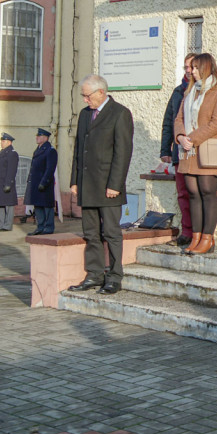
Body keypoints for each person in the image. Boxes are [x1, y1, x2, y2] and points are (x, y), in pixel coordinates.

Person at [67, 76, 134, 295]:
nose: (85, 100)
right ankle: (94, 274)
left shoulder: (120, 113)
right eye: (83, 96)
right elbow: (80, 149)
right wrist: (75, 181)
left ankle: (114, 276)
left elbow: (122, 153)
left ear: (101, 92)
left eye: (88, 95)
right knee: (91, 233)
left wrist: (115, 184)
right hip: (87, 185)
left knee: (112, 233)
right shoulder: (86, 115)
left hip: (109, 187)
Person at [174, 54, 217, 257]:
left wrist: (191, 138)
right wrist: (181, 136)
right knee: (193, 193)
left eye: (196, 68)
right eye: (191, 68)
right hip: (189, 151)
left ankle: (208, 238)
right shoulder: (190, 91)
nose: (192, 71)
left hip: (208, 150)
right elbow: (179, 118)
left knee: (207, 192)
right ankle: (196, 237)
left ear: (206, 68)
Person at [160, 52, 196, 246]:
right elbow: (169, 121)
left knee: (197, 194)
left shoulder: (203, 90)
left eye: (192, 67)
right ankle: (186, 232)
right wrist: (165, 149)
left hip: (197, 152)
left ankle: (200, 233)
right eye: (186, 67)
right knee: (182, 194)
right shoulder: (177, 91)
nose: (188, 71)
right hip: (179, 153)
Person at [25, 127, 58, 236]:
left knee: (47, 206)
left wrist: (44, 182)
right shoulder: (38, 150)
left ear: (45, 138)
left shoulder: (50, 150)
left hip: (45, 184)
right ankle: (40, 227)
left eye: (39, 136)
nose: (37, 137)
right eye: (37, 136)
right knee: (38, 206)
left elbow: (50, 169)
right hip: (35, 184)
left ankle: (48, 227)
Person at [0, 133, 19, 232]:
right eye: (1, 141)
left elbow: (12, 170)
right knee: (0, 204)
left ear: (9, 142)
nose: (1, 143)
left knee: (9, 205)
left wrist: (8, 184)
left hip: (6, 183)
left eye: (3, 141)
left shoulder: (12, 153)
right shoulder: (2, 152)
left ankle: (7, 225)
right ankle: (0, 224)